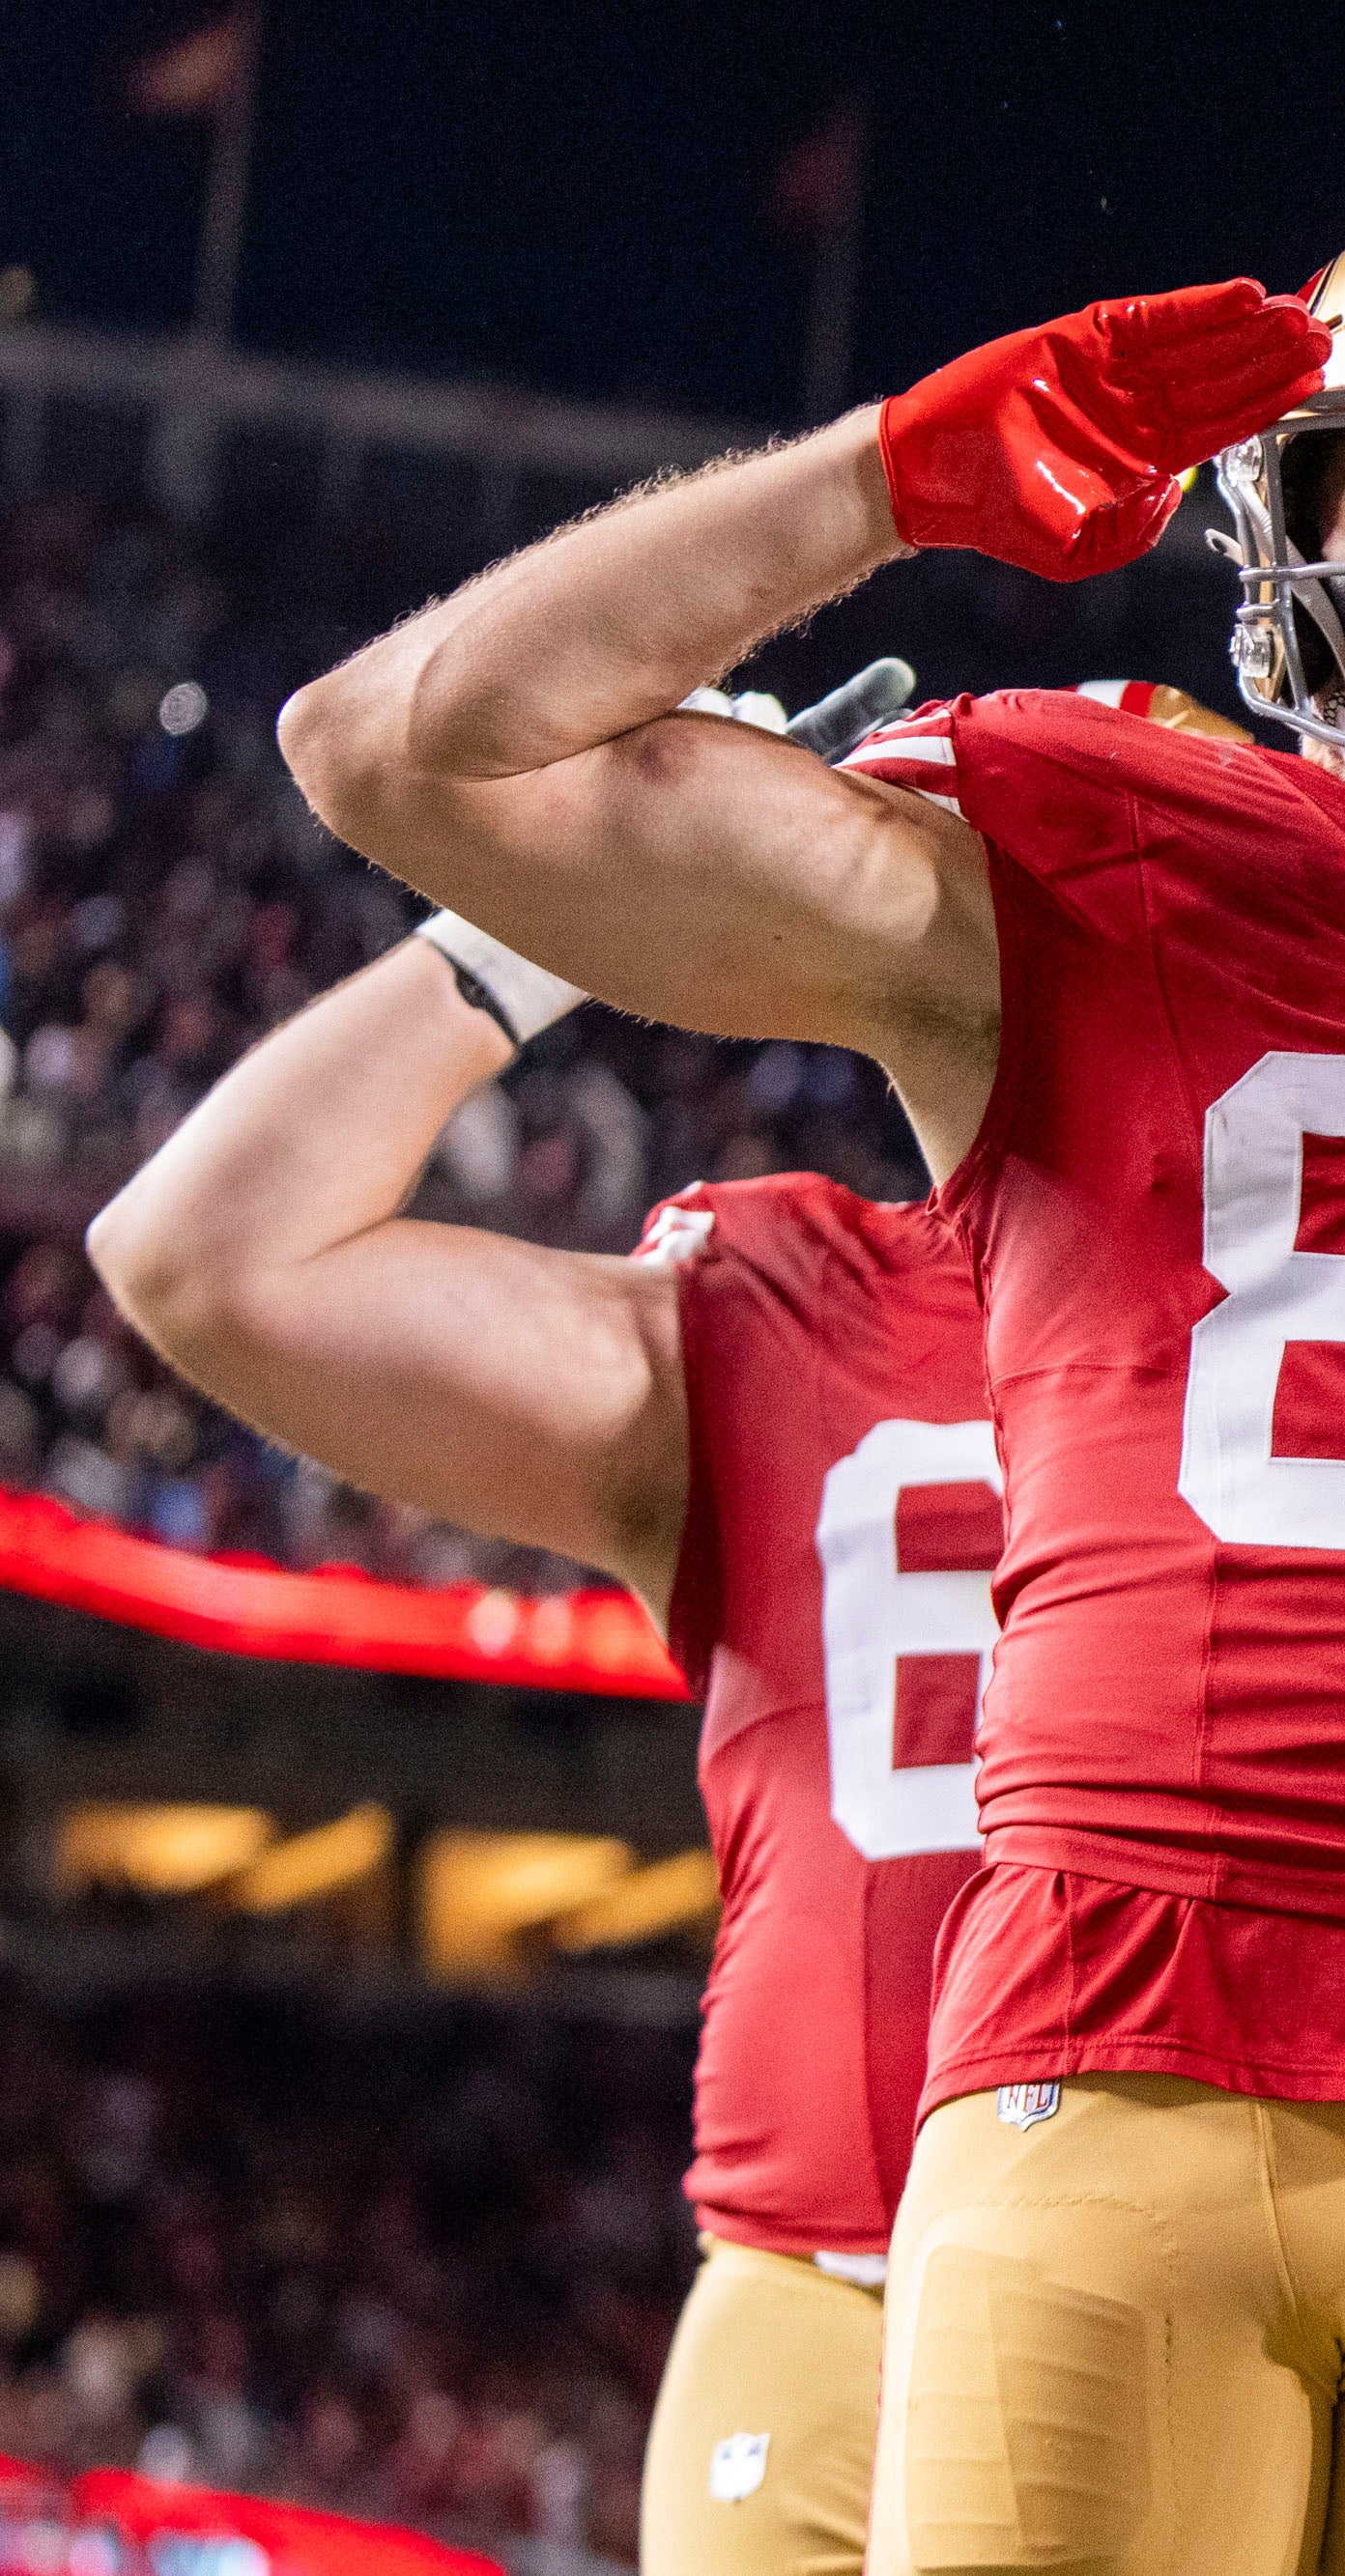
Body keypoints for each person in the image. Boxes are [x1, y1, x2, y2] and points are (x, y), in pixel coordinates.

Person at [275, 203, 1345, 2576]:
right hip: (1131, 2014)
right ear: (1279, 543)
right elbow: (402, 751)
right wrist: (886, 476)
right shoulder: (1089, 852)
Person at [90, 669, 982, 2576]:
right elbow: (207, 1257)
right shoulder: (803, 1318)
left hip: (1253, 2247)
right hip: (845, 2273)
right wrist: (531, 924)